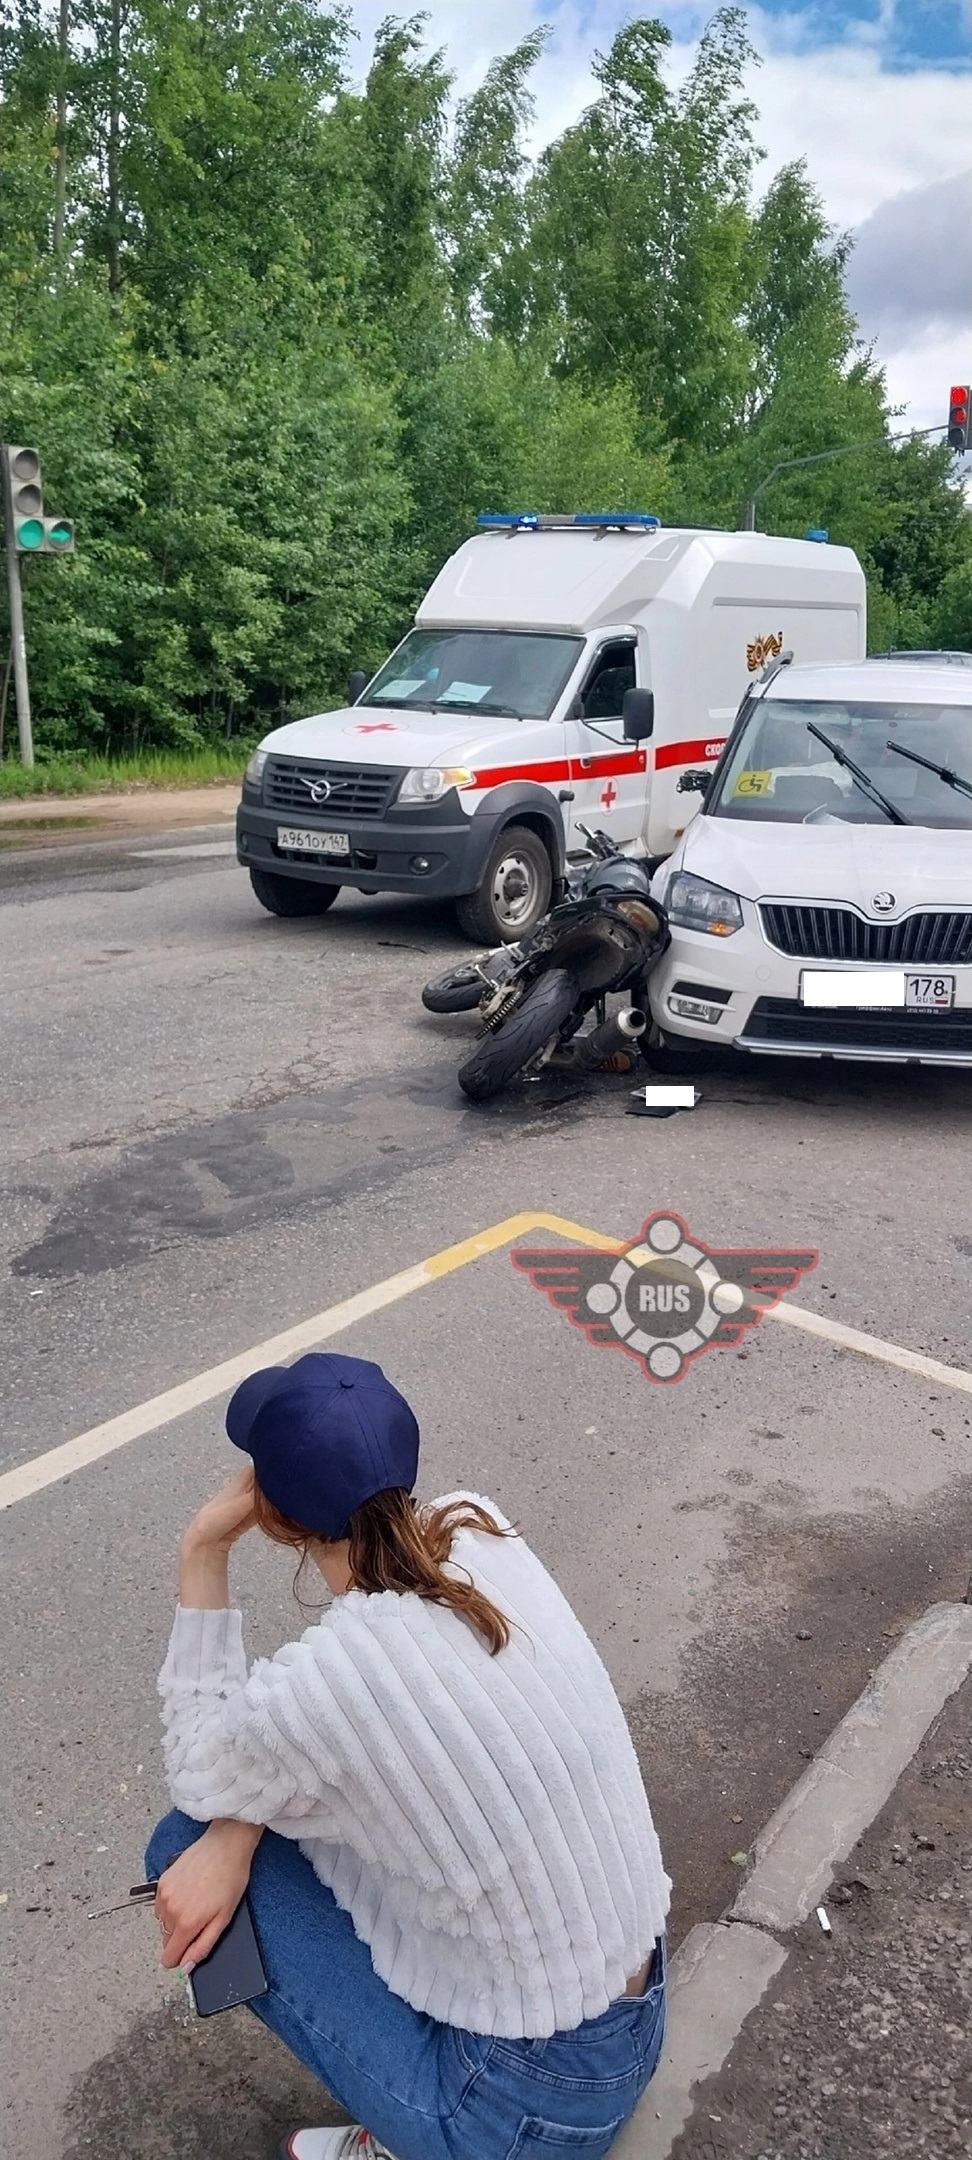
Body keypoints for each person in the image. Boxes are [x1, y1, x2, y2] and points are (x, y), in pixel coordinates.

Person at [147, 1352, 671, 2160]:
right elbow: (361, 1737)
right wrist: (243, 1826)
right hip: (635, 2019)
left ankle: (411, 2134)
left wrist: (202, 1551)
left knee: (182, 1841)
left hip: (522, 2117)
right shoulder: (477, 1528)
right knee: (256, 1818)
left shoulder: (337, 1683)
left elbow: (200, 1770)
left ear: (278, 1520)